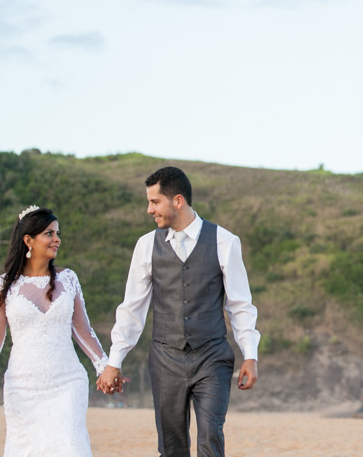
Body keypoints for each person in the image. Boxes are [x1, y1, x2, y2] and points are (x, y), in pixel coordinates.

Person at [96, 166, 260, 457]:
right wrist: (115, 359)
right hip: (165, 360)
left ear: (178, 201)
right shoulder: (146, 246)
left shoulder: (225, 241)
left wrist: (250, 354)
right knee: (172, 448)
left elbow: (240, 304)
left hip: (212, 357)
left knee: (210, 437)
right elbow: (132, 308)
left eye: (155, 201)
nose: (149, 210)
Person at [0, 206, 109, 457]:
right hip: (22, 386)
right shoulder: (5, 286)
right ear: (29, 240)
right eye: (49, 233)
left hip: (67, 382)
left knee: (70, 446)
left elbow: (82, 328)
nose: (57, 239)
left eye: (57, 233)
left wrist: (103, 366)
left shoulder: (69, 279)